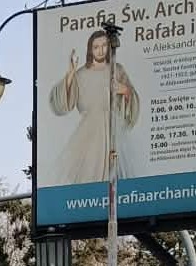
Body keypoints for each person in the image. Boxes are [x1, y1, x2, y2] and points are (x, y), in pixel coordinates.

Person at [49, 30, 140, 185]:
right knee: (88, 175)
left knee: (117, 176)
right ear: (90, 49)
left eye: (104, 45)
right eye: (96, 47)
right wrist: (71, 73)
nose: (100, 50)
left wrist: (125, 90)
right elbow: (61, 105)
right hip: (89, 133)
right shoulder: (80, 74)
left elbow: (132, 98)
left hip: (113, 131)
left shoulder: (117, 70)